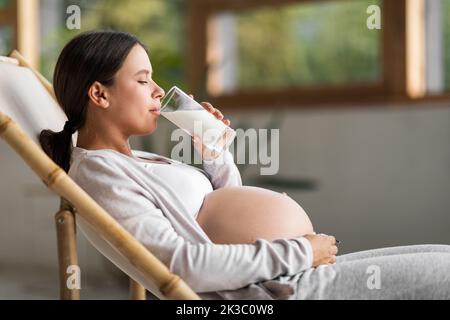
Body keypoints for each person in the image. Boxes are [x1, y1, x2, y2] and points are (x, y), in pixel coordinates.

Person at [39, 30, 450, 300]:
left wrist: (214, 154)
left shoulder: (134, 158)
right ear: (99, 94)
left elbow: (223, 202)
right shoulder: (99, 172)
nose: (159, 89)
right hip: (277, 290)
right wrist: (299, 252)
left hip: (291, 270)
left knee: (441, 257)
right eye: (143, 79)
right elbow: (184, 265)